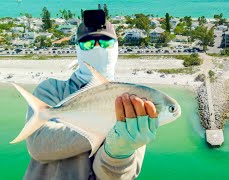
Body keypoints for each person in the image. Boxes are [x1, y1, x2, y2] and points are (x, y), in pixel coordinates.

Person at [23, 18, 158, 180]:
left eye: (105, 42)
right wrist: (110, 126)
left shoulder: (134, 102)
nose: (97, 48)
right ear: (77, 49)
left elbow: (117, 176)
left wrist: (118, 150)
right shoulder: (52, 90)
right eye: (87, 44)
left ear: (116, 47)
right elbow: (39, 146)